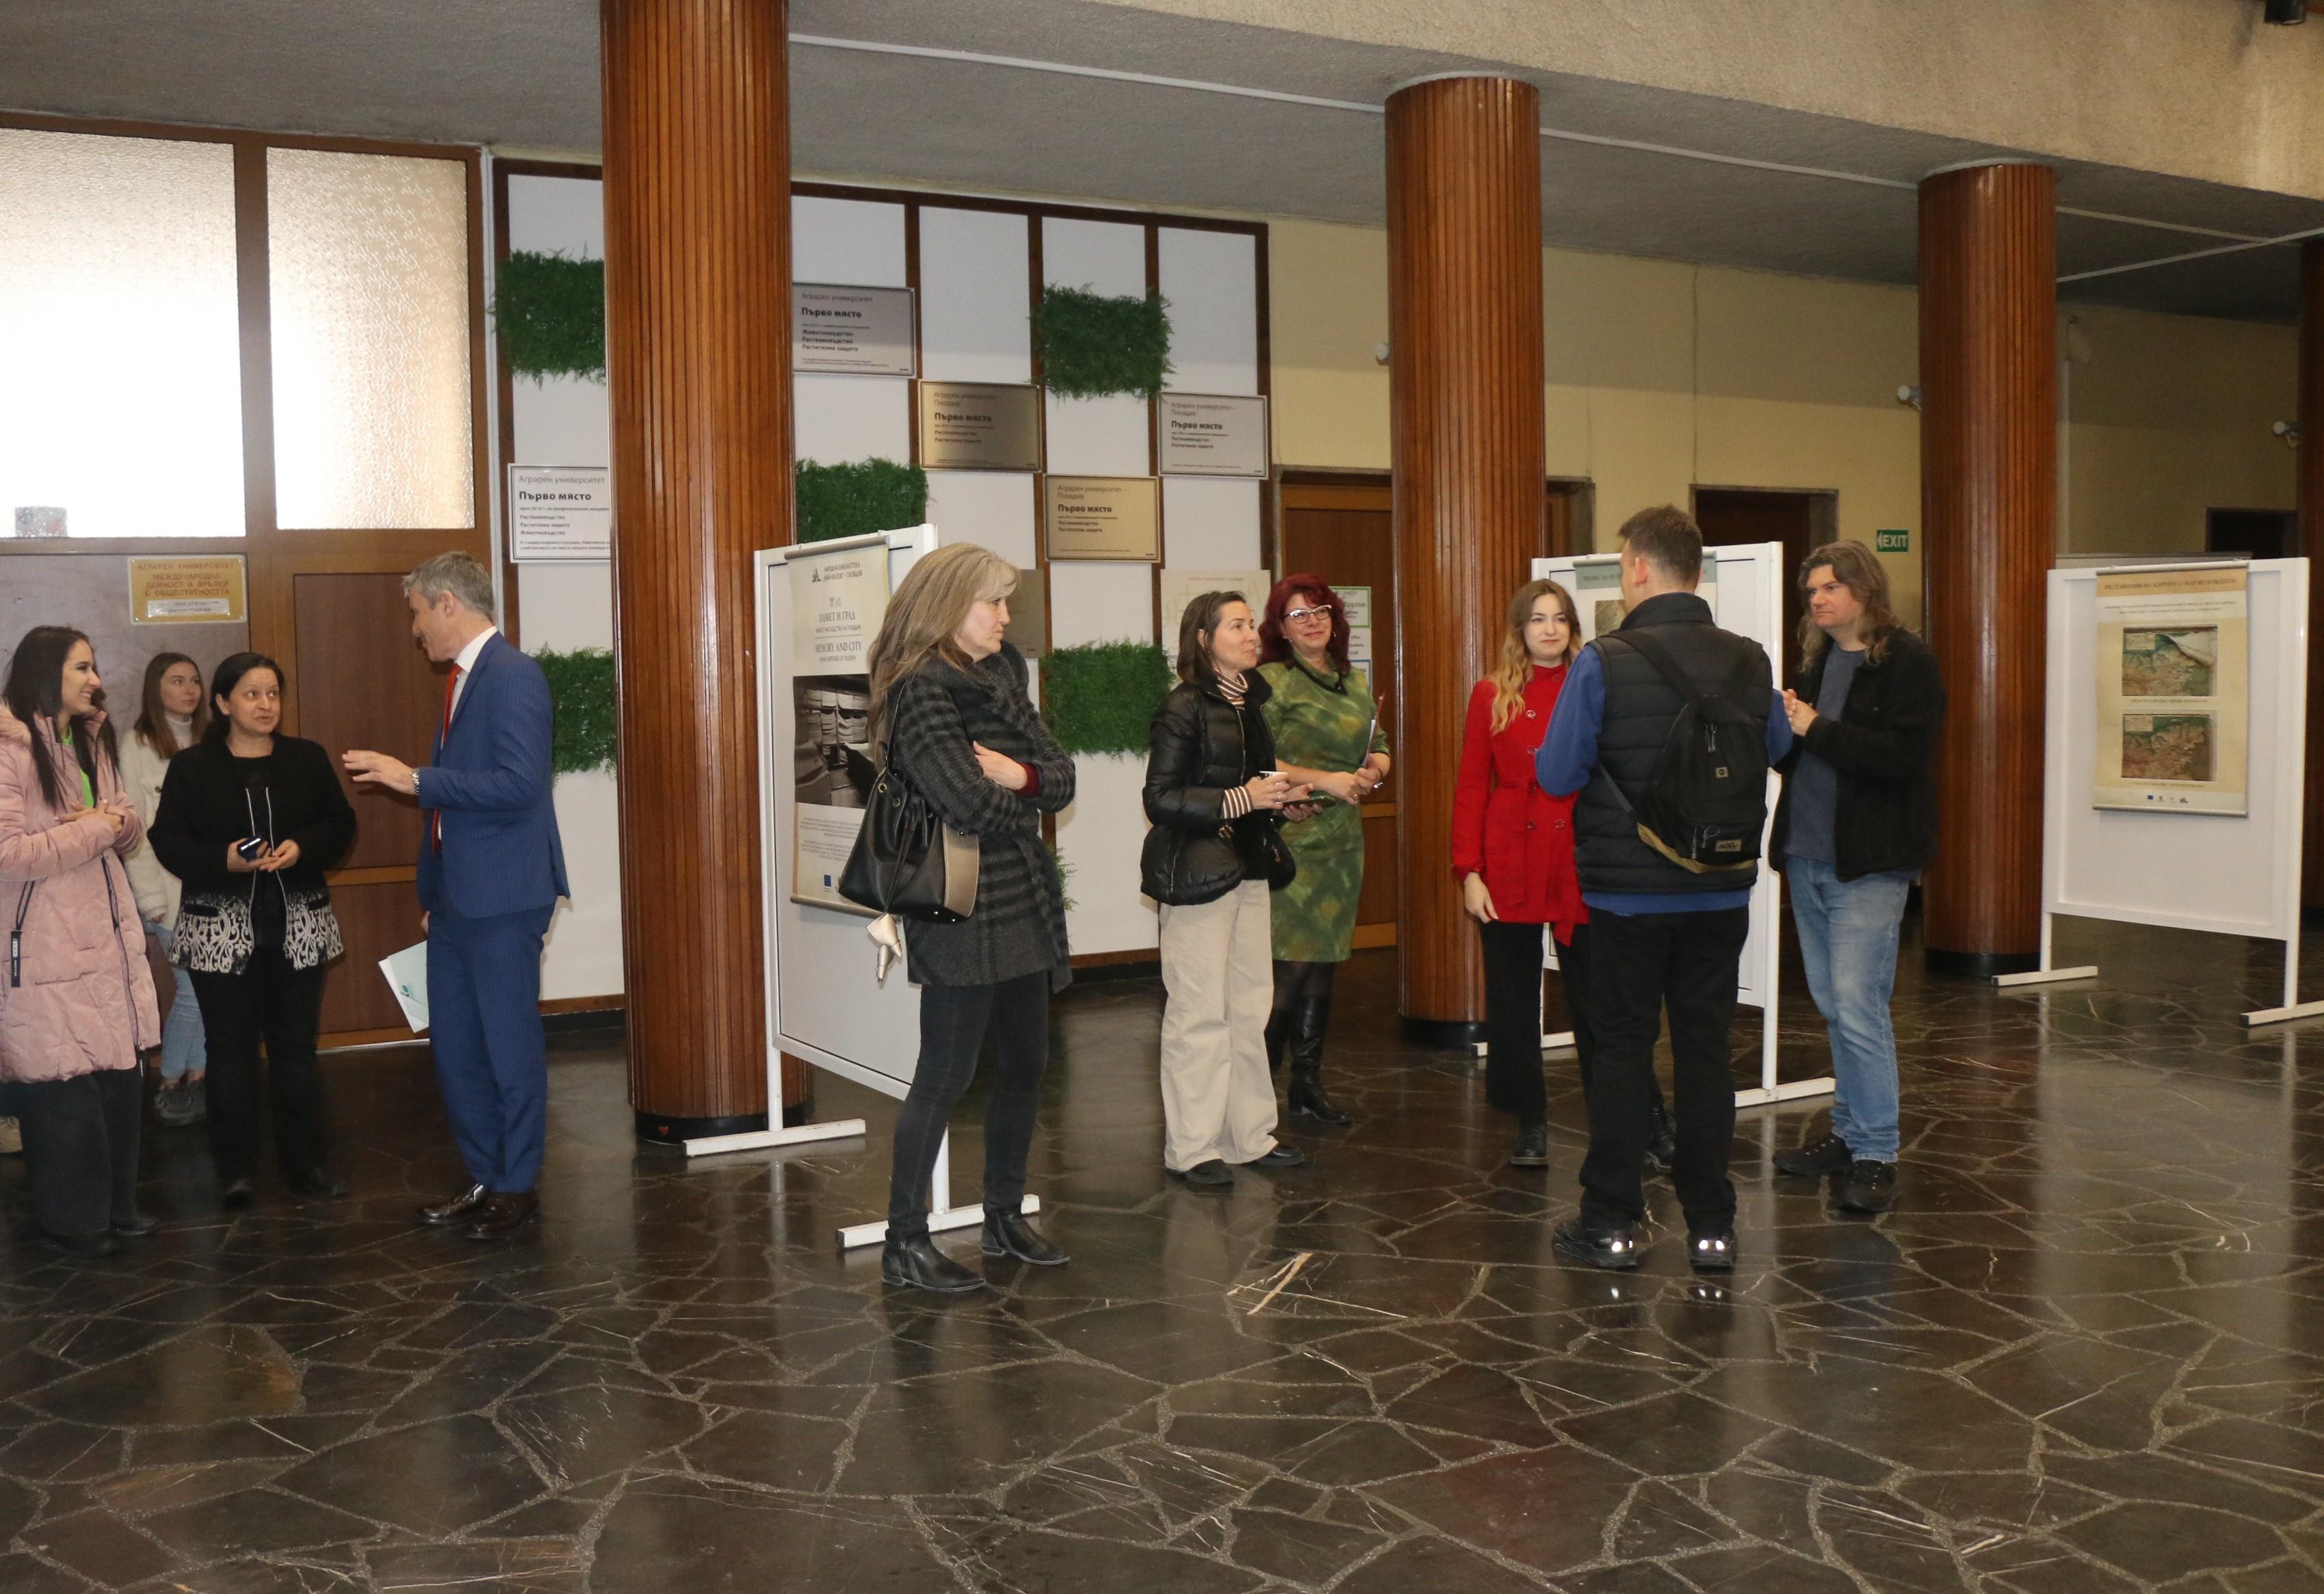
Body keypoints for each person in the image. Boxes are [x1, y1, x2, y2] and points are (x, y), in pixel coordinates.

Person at [1535, 508, 1791, 1272]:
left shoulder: (1603, 660)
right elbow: (1778, 747)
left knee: (1620, 1049)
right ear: (1696, 570)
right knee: (1706, 1051)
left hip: (1625, 896)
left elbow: (1557, 772)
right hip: (1719, 891)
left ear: (1640, 568)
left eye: (1622, 564)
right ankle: (1712, 1227)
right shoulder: (1749, 660)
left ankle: (1611, 1222)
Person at [865, 543, 1078, 1293]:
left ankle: (1002, 1216)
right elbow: (964, 802)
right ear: (951, 605)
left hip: (1021, 899)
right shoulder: (920, 689)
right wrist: (1023, 794)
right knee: (945, 1076)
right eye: (994, 601)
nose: (1005, 616)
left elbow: (1062, 777)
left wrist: (1016, 774)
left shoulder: (1000, 674)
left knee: (1025, 1065)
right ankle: (904, 1241)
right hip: (960, 910)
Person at [343, 551, 567, 1242]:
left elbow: (519, 784)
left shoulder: (513, 674)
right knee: (457, 1049)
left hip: (503, 898)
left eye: (417, 613)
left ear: (448, 603)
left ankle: (516, 1185)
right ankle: (484, 1175)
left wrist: (414, 778)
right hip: (456, 900)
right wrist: (435, 889)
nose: (414, 629)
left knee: (507, 1047)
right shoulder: (464, 679)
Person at [1768, 541, 1944, 1215]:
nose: (1817, 599)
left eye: (1830, 587)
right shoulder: (1816, 662)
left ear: (1864, 590)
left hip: (1868, 863)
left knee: (1858, 1004)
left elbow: (1902, 759)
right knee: (1834, 1003)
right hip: (1808, 856)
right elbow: (1801, 758)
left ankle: (1874, 1151)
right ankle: (1848, 1133)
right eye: (1811, 590)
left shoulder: (1907, 661)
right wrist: (1782, 731)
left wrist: (1815, 727)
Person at [149, 653, 356, 1207]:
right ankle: (236, 1172)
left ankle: (307, 1167)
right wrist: (223, 859)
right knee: (230, 1053)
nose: (266, 705)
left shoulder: (306, 758)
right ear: (223, 703)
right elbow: (167, 839)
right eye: (251, 694)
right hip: (220, 933)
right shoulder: (192, 766)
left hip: (298, 928)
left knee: (296, 1050)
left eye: (272, 694)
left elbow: (341, 824)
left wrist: (302, 848)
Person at [1143, 591, 1311, 1190]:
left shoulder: (1251, 703)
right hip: (1196, 877)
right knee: (1198, 1014)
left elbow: (1253, 787)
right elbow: (1160, 798)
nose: (1249, 634)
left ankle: (1248, 1137)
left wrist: (1281, 804)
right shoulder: (1182, 706)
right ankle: (1191, 1148)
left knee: (1248, 1008)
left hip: (1248, 869)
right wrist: (1244, 799)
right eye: (1235, 626)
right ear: (1203, 639)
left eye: (1249, 624)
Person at [0, 626, 159, 1256]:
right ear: (45, 673)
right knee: (62, 1087)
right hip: (44, 946)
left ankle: (118, 1210)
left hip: (106, 939)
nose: (95, 680)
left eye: (94, 667)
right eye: (81, 668)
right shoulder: (9, 748)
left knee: (118, 1080)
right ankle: (74, 1222)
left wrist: (112, 823)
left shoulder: (91, 739)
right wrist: (96, 828)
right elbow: (8, 855)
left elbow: (126, 823)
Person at [1254, 575, 1389, 1127]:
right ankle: (1257, 1091)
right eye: (1298, 615)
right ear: (1280, 629)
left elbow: (1379, 748)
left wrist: (1372, 773)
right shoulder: (1271, 681)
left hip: (1342, 844)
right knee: (1291, 966)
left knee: (1324, 963)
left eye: (1320, 611)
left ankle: (1307, 1086)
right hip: (1292, 839)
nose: (1312, 622)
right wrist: (1324, 780)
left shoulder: (1351, 679)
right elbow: (1257, 756)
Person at [120, 652, 210, 1127]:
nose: (189, 689)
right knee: (195, 990)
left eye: (194, 680)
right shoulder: (137, 745)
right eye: (177, 681)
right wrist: (150, 898)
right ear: (156, 688)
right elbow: (134, 832)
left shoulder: (212, 740)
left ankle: (198, 1077)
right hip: (166, 894)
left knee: (211, 989)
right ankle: (171, 1079)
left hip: (211, 889)